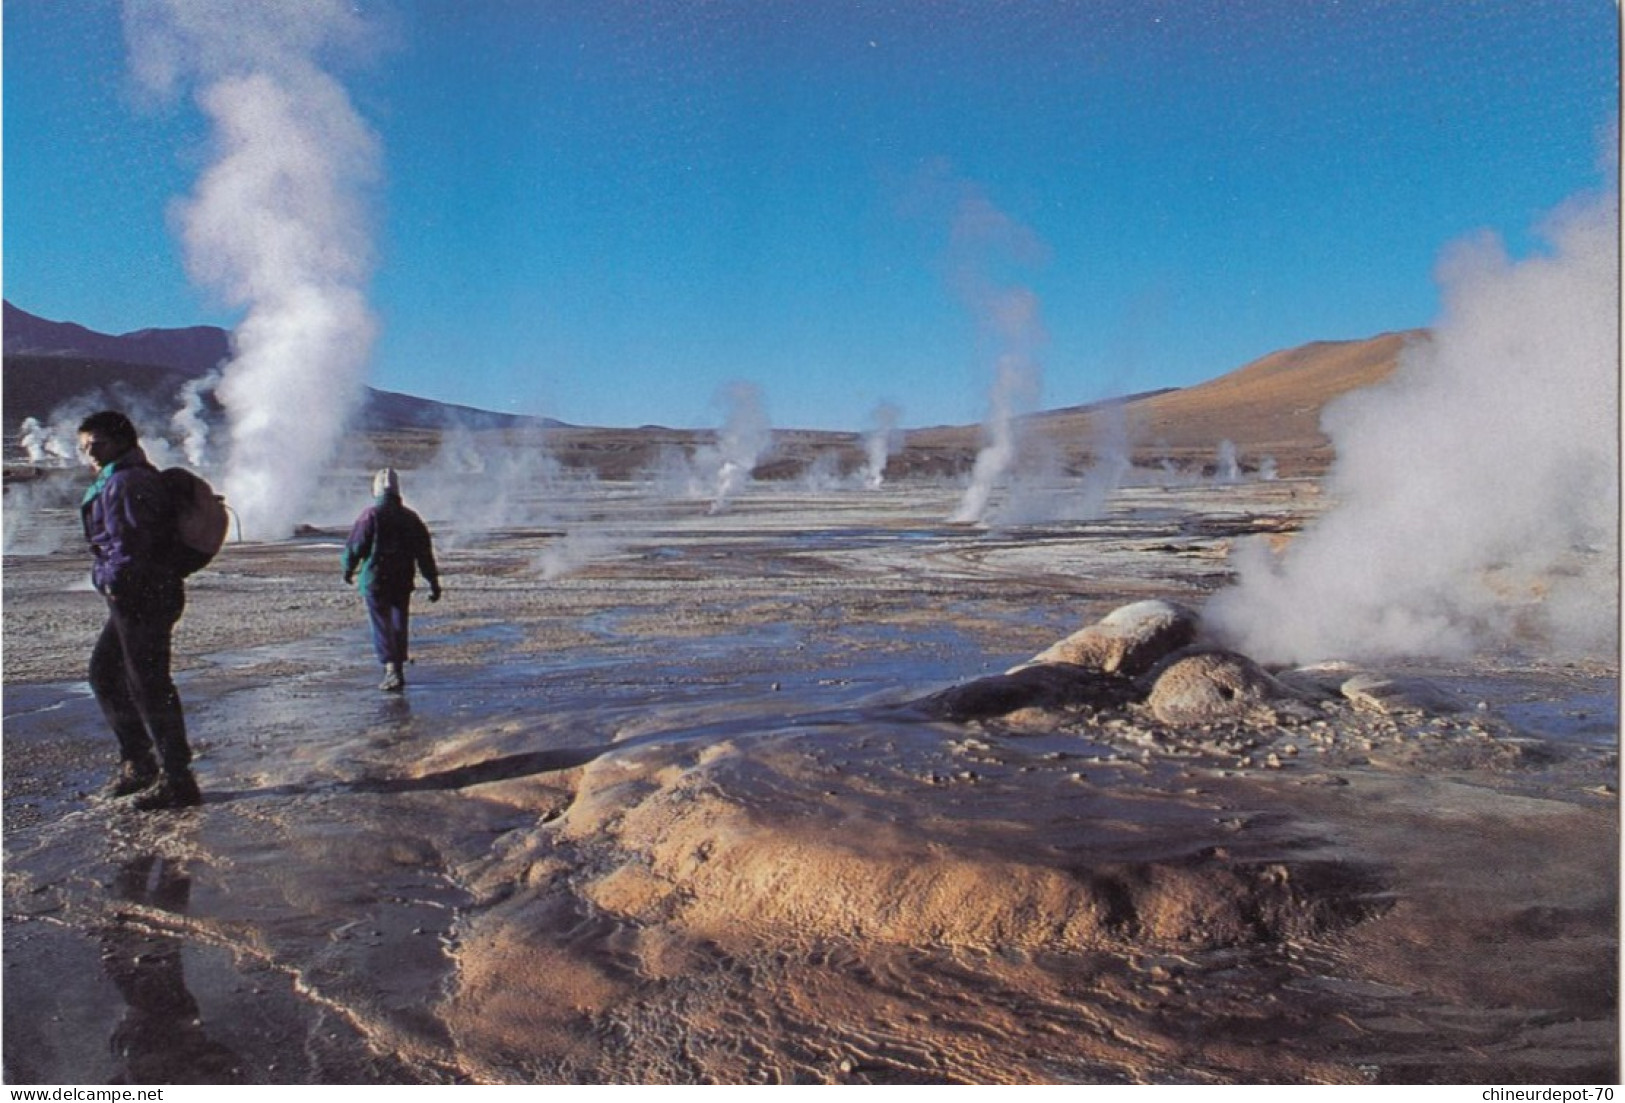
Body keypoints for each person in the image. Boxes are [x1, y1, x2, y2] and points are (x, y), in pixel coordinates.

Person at [77, 410, 200, 811]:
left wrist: (108, 582)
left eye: (96, 445)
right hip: (143, 594)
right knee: (106, 673)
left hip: (140, 596)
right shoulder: (124, 478)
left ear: (121, 441)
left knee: (149, 685)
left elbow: (129, 549)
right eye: (84, 448)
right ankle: (141, 762)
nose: (90, 454)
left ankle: (177, 779)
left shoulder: (126, 483)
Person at [342, 468, 442, 691]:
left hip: (375, 579)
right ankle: (396, 667)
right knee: (398, 621)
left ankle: (390, 668)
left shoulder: (370, 516)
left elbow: (355, 546)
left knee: (382, 623)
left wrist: (348, 569)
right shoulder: (410, 518)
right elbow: (424, 553)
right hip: (401, 580)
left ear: (376, 491)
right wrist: (433, 581)